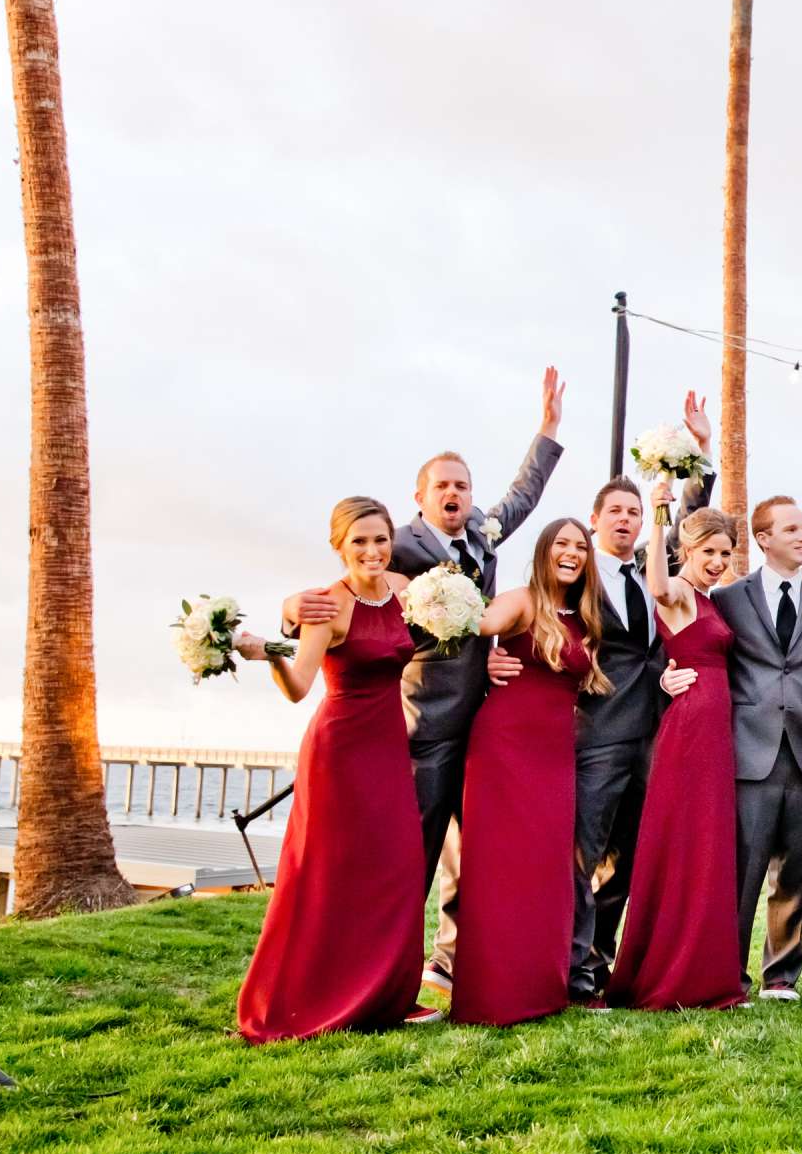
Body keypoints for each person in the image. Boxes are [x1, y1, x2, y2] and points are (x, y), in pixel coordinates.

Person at [281, 368, 565, 1000]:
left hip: (488, 714)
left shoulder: (485, 534)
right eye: (442, 485)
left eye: (462, 485)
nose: (454, 494)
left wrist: (547, 429)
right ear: (420, 496)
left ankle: (449, 959)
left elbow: (523, 496)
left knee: (477, 847)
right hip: (422, 718)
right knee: (416, 848)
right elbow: (345, 584)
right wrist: (291, 611)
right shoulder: (399, 547)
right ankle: (387, 972)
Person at [231, 497, 427, 1043]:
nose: (371, 550)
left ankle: (385, 991)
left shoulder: (407, 592)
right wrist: (271, 653)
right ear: (339, 546)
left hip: (388, 745)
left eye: (380, 540)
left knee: (396, 866)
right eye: (359, 541)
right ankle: (307, 996)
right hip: (338, 749)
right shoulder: (326, 605)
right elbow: (298, 688)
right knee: (327, 872)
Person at [564, 397, 714, 1001]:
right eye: (617, 512)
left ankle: (599, 962)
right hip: (595, 734)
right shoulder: (579, 573)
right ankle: (571, 967)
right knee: (583, 855)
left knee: (626, 861)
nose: (627, 520)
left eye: (635, 511)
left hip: (655, 737)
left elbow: (688, 524)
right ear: (595, 520)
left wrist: (698, 456)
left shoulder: (660, 573)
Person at [456, 518, 611, 1027]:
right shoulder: (522, 601)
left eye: (580, 546)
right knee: (501, 867)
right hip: (506, 747)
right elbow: (473, 622)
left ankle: (538, 986)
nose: (571, 552)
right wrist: (484, 663)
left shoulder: (586, 616)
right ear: (545, 550)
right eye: (561, 544)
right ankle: (493, 992)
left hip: (555, 755)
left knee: (546, 869)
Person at [706, 493, 802, 1001]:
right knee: (743, 870)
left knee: (797, 868)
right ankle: (728, 973)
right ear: (763, 538)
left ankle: (782, 975)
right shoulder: (728, 600)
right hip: (750, 751)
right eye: (791, 529)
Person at [605, 501, 745, 1011]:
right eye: (709, 551)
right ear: (687, 549)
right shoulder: (680, 591)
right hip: (689, 732)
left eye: (725, 552)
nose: (717, 561)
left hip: (715, 733)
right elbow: (658, 588)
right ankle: (670, 972)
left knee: (708, 848)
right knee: (686, 845)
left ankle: (706, 972)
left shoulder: (711, 598)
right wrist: (659, 508)